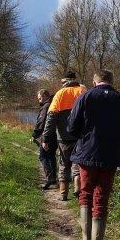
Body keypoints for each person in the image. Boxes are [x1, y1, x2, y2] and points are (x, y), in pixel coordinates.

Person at [67, 69, 120, 240]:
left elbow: (71, 127)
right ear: (111, 81)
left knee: (85, 194)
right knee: (102, 199)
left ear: (94, 81)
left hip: (87, 155)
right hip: (111, 157)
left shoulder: (86, 96)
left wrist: (86, 135)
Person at [41, 71, 86, 200]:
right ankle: (77, 186)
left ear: (65, 81)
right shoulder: (83, 91)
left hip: (63, 137)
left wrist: (46, 138)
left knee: (64, 164)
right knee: (78, 162)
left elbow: (51, 118)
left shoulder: (60, 94)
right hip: (80, 136)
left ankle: (63, 194)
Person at [32, 89, 57, 189]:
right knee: (51, 157)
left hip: (47, 136)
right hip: (55, 135)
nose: (39, 100)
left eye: (40, 98)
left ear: (46, 96)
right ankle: (54, 178)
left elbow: (41, 123)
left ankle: (50, 178)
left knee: (43, 156)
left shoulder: (46, 106)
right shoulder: (54, 104)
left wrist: (35, 134)